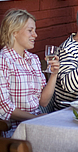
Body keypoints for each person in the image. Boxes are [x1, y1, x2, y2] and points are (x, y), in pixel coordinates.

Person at [0, 9, 59, 138]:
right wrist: (35, 119)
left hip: (37, 125)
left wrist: (54, 74)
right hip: (14, 132)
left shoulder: (33, 59)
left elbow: (43, 101)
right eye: (30, 30)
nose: (35, 35)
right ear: (14, 32)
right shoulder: (3, 61)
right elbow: (4, 108)